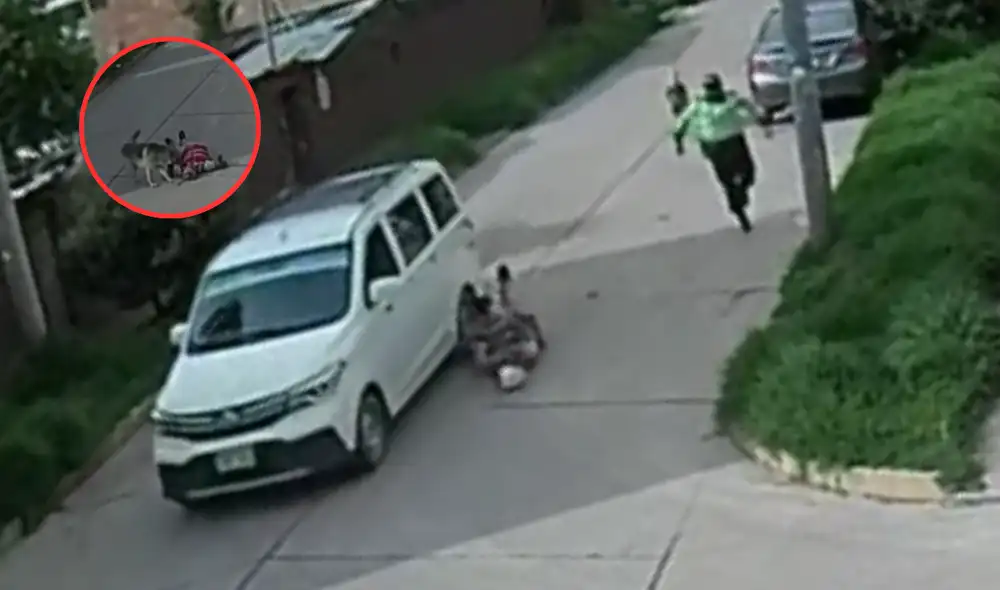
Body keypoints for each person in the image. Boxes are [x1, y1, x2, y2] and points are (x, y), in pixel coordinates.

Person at [673, 73, 772, 233]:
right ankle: (741, 193)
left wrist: (678, 142)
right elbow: (750, 110)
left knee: (726, 181)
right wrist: (762, 121)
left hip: (713, 147)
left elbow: (681, 123)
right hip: (733, 142)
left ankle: (737, 205)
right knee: (748, 173)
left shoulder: (698, 104)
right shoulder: (729, 99)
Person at [460, 283, 541, 392]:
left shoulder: (498, 316)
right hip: (499, 354)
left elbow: (518, 325)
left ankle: (517, 362)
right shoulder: (478, 335)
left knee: (527, 348)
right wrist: (501, 355)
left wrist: (526, 340)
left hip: (506, 347)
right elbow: (482, 362)